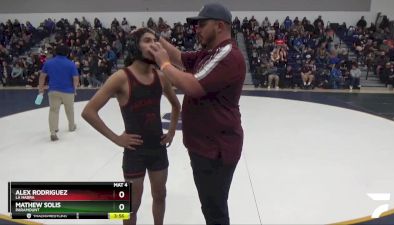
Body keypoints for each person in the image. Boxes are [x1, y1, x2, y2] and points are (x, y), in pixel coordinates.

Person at [148, 3, 245, 224]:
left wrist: (162, 64)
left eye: (202, 25)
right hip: (205, 146)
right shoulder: (209, 53)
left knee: (214, 209)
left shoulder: (228, 55)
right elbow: (179, 57)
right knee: (211, 205)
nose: (197, 30)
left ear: (219, 26)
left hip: (216, 150)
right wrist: (154, 37)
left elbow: (191, 85)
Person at [81, 28, 181, 225]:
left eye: (155, 40)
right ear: (135, 46)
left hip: (158, 149)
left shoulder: (161, 77)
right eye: (146, 40)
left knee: (160, 196)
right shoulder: (121, 77)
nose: (154, 44)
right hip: (134, 152)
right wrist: (116, 138)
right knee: (131, 206)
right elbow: (89, 111)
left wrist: (170, 133)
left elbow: (176, 106)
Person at [38, 44, 79, 141]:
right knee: (69, 109)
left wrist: (41, 89)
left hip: (53, 90)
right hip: (68, 91)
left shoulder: (48, 63)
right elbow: (75, 78)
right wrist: (75, 89)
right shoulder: (71, 64)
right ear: (67, 53)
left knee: (53, 110)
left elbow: (42, 77)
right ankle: (71, 126)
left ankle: (53, 131)